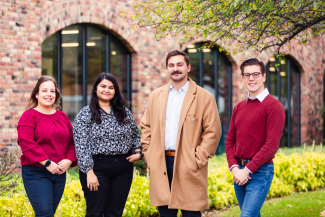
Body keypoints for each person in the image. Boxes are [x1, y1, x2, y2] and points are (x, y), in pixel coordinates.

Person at [140, 50, 222, 217]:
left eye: (179, 65)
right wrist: (150, 155)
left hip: (188, 163)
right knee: (165, 214)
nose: (175, 69)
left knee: (191, 213)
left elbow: (212, 132)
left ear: (188, 67)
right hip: (161, 163)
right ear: (167, 68)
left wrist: (197, 159)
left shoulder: (204, 97)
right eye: (171, 65)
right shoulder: (156, 96)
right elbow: (146, 126)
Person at [73, 72, 142, 217]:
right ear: (96, 89)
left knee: (115, 213)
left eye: (111, 87)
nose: (107, 90)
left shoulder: (124, 112)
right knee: (95, 212)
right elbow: (81, 144)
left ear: (115, 91)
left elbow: (136, 134)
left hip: (124, 168)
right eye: (103, 86)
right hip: (97, 168)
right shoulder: (86, 113)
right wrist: (89, 172)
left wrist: (138, 152)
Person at [225, 58, 285, 217]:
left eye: (255, 74)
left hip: (260, 172)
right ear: (243, 78)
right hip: (239, 172)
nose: (251, 78)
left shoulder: (274, 106)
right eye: (247, 75)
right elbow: (230, 141)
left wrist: (248, 170)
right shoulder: (239, 107)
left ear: (264, 76)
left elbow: (271, 146)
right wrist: (235, 168)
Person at [17, 75, 77, 217]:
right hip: (36, 172)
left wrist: (69, 160)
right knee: (44, 213)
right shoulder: (28, 116)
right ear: (37, 94)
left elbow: (73, 142)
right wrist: (47, 162)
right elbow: (26, 142)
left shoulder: (62, 117)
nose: (49, 94)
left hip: (59, 173)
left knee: (49, 213)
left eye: (52, 91)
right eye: (44, 90)